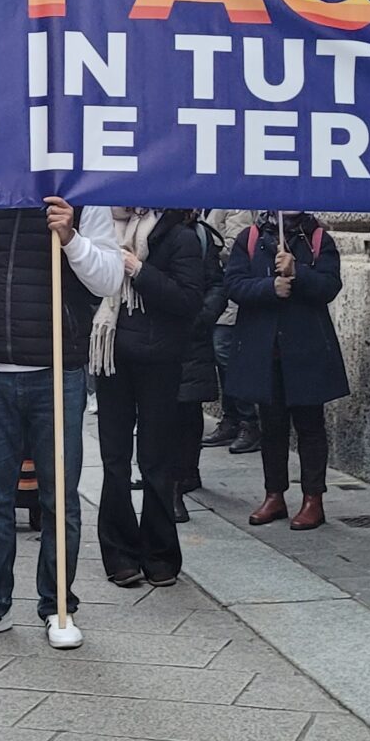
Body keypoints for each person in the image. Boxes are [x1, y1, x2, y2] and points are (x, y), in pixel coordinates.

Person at [0, 198, 124, 650]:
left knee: (60, 499)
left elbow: (109, 279)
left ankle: (58, 606)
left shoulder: (83, 207)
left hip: (57, 372)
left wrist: (71, 238)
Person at [92, 209, 208, 588]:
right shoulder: (102, 230)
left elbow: (188, 300)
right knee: (114, 460)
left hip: (159, 359)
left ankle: (159, 553)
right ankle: (119, 553)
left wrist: (139, 270)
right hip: (110, 357)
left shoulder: (179, 236)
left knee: (156, 460)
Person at [224, 212, 347, 531]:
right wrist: (270, 287)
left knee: (310, 427)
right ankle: (274, 494)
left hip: (306, 351)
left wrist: (298, 272)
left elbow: (330, 285)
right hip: (265, 352)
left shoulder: (319, 239)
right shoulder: (250, 238)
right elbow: (234, 285)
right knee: (272, 427)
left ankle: (313, 499)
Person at [173, 214, 231, 522]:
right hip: (160, 332)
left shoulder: (199, 234)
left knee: (188, 407)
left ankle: (185, 473)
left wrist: (202, 317)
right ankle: (167, 474)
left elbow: (217, 283)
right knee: (162, 410)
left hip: (192, 334)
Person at [200, 210, 260, 453]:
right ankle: (231, 418)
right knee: (221, 358)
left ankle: (249, 421)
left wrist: (201, 247)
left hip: (230, 293)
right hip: (211, 293)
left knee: (226, 354)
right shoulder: (203, 206)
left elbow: (237, 247)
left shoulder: (235, 205)